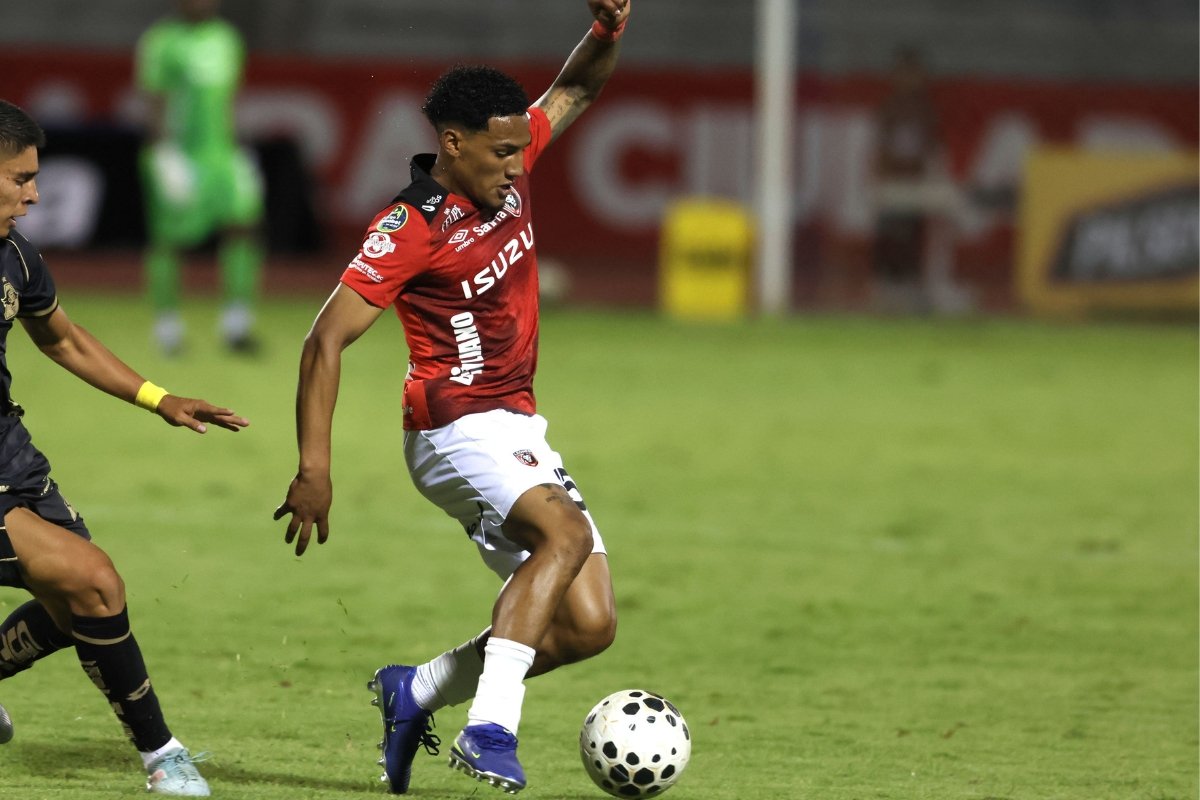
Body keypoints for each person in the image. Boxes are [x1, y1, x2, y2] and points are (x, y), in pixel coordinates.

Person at [273, 1, 629, 794]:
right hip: (450, 427)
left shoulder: (511, 155)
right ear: (454, 143)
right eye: (501, 153)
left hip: (516, 421)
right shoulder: (410, 228)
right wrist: (315, 467)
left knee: (589, 624)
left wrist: (606, 31)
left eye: (519, 150)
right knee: (562, 535)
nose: (516, 166)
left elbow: (577, 89)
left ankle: (417, 691)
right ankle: (488, 731)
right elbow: (324, 340)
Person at [0, 99, 249, 796]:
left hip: (12, 458)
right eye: (20, 178)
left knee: (69, 610)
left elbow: (65, 339)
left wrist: (158, 398)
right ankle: (162, 757)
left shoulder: (16, 255)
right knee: (96, 583)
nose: (36, 194)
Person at [135, 0, 265, 355]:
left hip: (222, 154)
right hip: (179, 154)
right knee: (170, 240)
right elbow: (154, 101)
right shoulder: (162, 41)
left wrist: (240, 149)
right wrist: (163, 154)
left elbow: (228, 101)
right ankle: (167, 327)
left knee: (243, 224)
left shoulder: (227, 38)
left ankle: (236, 325)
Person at [870, 46, 944, 311]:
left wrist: (927, 176)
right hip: (892, 181)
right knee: (889, 233)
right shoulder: (890, 108)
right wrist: (879, 175)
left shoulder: (925, 110)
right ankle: (885, 287)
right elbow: (881, 147)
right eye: (904, 73)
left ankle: (911, 288)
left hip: (914, 182)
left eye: (913, 73)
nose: (909, 79)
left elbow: (931, 148)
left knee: (911, 233)